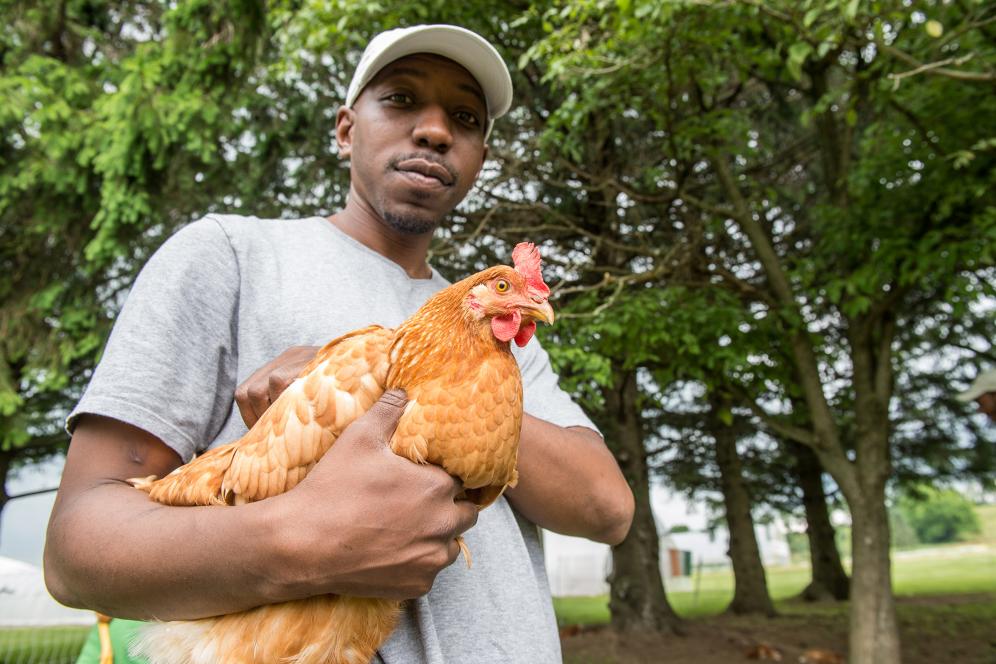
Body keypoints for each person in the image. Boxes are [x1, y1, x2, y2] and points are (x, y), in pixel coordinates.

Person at [44, 24, 634, 663]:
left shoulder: (495, 341)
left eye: (464, 117)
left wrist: (415, 381)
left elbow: (606, 509)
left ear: (480, 159)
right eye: (402, 99)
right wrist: (298, 541)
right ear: (346, 129)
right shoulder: (231, 256)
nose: (435, 130)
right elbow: (76, 552)